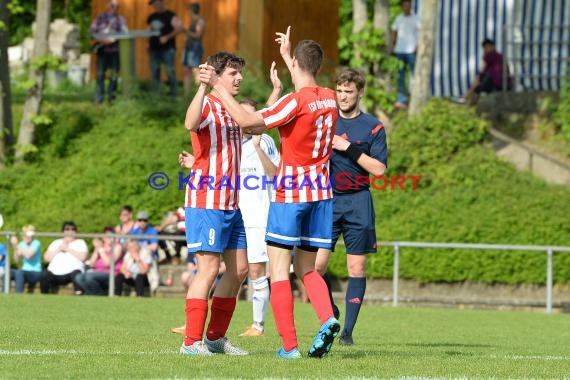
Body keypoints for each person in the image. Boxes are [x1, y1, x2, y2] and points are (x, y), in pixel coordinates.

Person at [199, 26, 340, 359]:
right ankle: (328, 317)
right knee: (308, 269)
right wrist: (289, 56)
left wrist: (219, 87)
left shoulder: (294, 102)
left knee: (278, 271)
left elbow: (249, 123)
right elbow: (303, 74)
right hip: (322, 193)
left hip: (292, 192)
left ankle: (289, 346)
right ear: (317, 66)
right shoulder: (331, 97)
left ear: (297, 66)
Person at [178, 51, 250, 356]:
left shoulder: (232, 108)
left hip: (231, 202)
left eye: (239, 73)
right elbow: (190, 122)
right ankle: (191, 343)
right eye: (233, 73)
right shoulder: (208, 103)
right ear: (217, 75)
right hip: (207, 199)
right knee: (207, 270)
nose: (239, 78)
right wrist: (202, 87)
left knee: (240, 270)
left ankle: (215, 338)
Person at [316, 68, 388, 346]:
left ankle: (347, 332)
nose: (343, 96)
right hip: (327, 200)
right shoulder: (326, 121)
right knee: (316, 266)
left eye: (349, 91)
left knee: (356, 268)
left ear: (360, 93)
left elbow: (379, 170)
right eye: (340, 91)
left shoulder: (373, 126)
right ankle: (330, 311)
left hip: (359, 201)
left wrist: (349, 148)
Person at [236, 99, 280, 337]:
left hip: (259, 216)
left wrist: (259, 147)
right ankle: (200, 321)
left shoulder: (264, 140)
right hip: (234, 215)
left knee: (256, 271)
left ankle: (258, 326)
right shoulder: (231, 143)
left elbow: (276, 173)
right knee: (232, 271)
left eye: (251, 115)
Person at [89, 0, 128, 104]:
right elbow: (92, 32)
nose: (114, 8)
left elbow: (125, 33)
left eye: (117, 6)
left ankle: (112, 100)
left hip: (115, 51)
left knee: (114, 76)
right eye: (112, 5)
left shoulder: (121, 20)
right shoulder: (100, 18)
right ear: (107, 6)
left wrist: (114, 38)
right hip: (102, 50)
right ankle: (98, 99)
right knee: (100, 75)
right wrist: (103, 40)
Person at [40, 221, 89, 295]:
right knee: (44, 275)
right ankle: (43, 297)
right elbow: (46, 258)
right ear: (63, 231)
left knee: (77, 274)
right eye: (67, 229)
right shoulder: (56, 242)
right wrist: (59, 249)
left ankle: (79, 295)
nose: (70, 231)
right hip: (54, 273)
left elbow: (83, 257)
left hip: (71, 274)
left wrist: (68, 248)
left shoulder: (80, 242)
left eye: (73, 229)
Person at [74, 226, 123, 296]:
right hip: (97, 272)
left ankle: (99, 295)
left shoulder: (117, 247)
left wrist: (101, 250)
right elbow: (91, 264)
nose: (109, 237)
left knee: (89, 277)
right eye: (106, 235)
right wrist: (97, 249)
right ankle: (93, 294)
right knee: (78, 277)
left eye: (111, 235)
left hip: (110, 274)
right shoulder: (100, 247)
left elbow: (108, 263)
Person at [147, 0, 183, 98]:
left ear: (161, 2)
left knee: (170, 72)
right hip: (154, 50)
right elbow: (149, 32)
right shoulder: (151, 17)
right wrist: (148, 44)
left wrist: (167, 37)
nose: (154, 5)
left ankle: (173, 96)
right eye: (153, 4)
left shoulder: (170, 15)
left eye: (156, 3)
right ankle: (156, 98)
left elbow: (179, 28)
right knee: (155, 74)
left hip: (168, 49)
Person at [390, 0, 420, 109]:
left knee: (414, 75)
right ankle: (402, 99)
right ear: (402, 7)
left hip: (411, 51)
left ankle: (414, 97)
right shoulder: (398, 18)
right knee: (400, 76)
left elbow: (421, 33)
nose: (407, 7)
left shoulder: (416, 18)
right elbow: (394, 31)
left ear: (411, 6)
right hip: (400, 51)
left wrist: (418, 46)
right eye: (405, 5)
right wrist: (392, 45)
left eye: (408, 5)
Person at [463, 39, 509, 105]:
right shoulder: (500, 56)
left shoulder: (489, 56)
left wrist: (470, 90)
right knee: (481, 81)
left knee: (478, 85)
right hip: (505, 84)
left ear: (493, 47)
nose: (486, 50)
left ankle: (468, 101)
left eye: (487, 47)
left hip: (496, 84)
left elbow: (481, 71)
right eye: (485, 48)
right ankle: (467, 98)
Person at [10, 225, 43, 293]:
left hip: (35, 272)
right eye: (25, 234)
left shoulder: (36, 243)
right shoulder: (21, 244)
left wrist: (16, 245)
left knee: (20, 272)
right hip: (23, 272)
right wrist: (15, 246)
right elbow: (16, 259)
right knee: (7, 271)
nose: (27, 236)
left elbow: (28, 256)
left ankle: (18, 296)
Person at [182, 2, 206, 95]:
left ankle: (200, 92)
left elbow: (197, 35)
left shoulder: (200, 21)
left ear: (192, 10)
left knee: (196, 70)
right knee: (186, 69)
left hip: (195, 47)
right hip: (189, 47)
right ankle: (186, 93)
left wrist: (185, 31)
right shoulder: (193, 20)